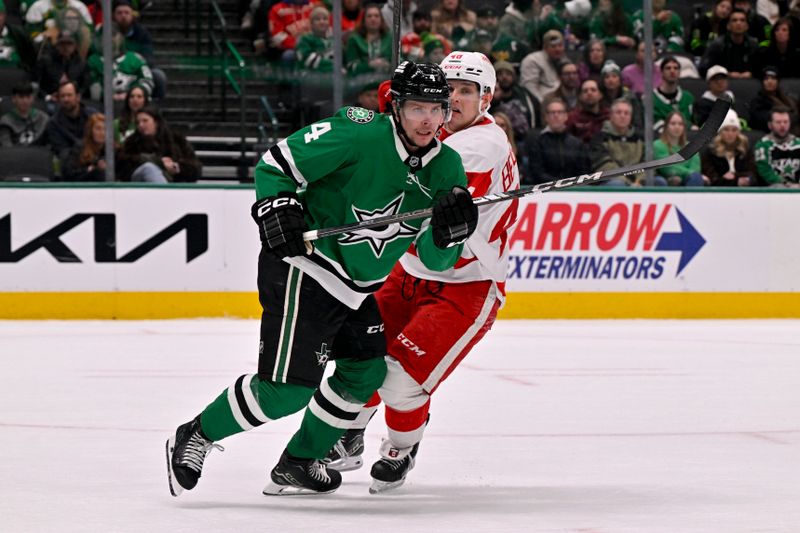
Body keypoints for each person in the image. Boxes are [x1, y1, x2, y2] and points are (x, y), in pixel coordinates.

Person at [165, 61, 479, 497]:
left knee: (364, 373)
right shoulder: (358, 133)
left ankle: (298, 462)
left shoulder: (447, 168)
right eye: (417, 109)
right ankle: (197, 433)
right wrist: (277, 206)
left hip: (355, 290)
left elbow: (434, 259)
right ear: (396, 107)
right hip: (305, 269)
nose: (428, 120)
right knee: (286, 392)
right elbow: (276, 164)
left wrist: (449, 235)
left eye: (436, 109)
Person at [323, 52, 519, 494]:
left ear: (486, 98)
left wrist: (392, 123)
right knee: (362, 358)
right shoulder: (444, 131)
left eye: (466, 90)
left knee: (401, 382)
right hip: (408, 272)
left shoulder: (480, 146)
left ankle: (401, 447)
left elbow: (409, 183)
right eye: (448, 89)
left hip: (465, 284)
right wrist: (396, 115)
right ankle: (350, 433)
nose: (454, 98)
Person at [116, 105, 200, 183]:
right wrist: (158, 162)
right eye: (138, 122)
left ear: (156, 122)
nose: (140, 125)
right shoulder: (132, 142)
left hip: (171, 181)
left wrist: (176, 167)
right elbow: (122, 168)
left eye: (145, 121)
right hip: (138, 183)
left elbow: (195, 168)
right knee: (149, 168)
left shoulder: (176, 139)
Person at [591, 98, 658, 185]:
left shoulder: (640, 138)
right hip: (611, 181)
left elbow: (648, 162)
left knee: (659, 181)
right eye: (618, 112)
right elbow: (604, 165)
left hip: (638, 181)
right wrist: (628, 182)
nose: (623, 116)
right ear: (611, 115)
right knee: (617, 183)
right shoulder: (600, 138)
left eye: (626, 113)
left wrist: (639, 181)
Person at [526, 96, 589, 185]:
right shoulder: (537, 142)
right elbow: (537, 172)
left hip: (574, 189)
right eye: (552, 112)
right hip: (546, 189)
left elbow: (583, 172)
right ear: (546, 117)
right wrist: (559, 184)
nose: (556, 115)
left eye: (560, 112)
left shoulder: (577, 144)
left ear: (566, 116)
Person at [46, 79, 97, 163]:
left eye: (69, 95)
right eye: (62, 96)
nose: (66, 99)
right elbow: (62, 152)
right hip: (72, 163)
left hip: (96, 159)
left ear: (78, 97)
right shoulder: (53, 123)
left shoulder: (93, 116)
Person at [701, 109, 756, 186]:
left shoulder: (745, 150)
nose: (730, 134)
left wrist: (735, 177)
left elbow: (752, 173)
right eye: (726, 130)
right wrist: (735, 181)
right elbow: (712, 179)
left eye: (734, 130)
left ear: (738, 132)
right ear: (720, 132)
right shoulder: (711, 152)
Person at [699, 8, 759, 79]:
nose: (738, 23)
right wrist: (726, 73)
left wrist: (752, 74)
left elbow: (761, 67)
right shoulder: (718, 45)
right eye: (734, 20)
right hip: (723, 81)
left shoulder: (753, 44)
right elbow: (703, 68)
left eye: (742, 20)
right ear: (728, 26)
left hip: (749, 82)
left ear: (747, 26)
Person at [653, 111, 707, 186]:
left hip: (688, 180)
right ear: (666, 126)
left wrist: (690, 174)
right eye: (673, 123)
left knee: (696, 177)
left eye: (680, 124)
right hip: (665, 179)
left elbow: (696, 168)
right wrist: (688, 172)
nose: (677, 127)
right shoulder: (657, 145)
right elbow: (667, 167)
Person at [754, 107, 800, 186]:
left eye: (785, 122)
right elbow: (765, 171)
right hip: (773, 189)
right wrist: (786, 184)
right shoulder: (763, 145)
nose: (782, 125)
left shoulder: (798, 144)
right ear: (770, 125)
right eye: (778, 122)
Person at [61, 113, 112, 181]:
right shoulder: (80, 147)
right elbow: (68, 173)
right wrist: (90, 169)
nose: (102, 133)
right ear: (90, 131)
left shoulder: (113, 149)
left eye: (105, 129)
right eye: (98, 129)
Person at [748, 66, 799, 133]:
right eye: (766, 79)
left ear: (777, 81)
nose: (770, 81)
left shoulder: (788, 98)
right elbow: (763, 120)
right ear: (762, 82)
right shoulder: (758, 101)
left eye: (773, 78)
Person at [345, 3, 392, 75]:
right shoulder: (354, 39)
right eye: (369, 16)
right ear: (364, 20)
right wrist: (370, 65)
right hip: (361, 81)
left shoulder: (390, 38)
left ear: (381, 20)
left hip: (387, 80)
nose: (373, 19)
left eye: (376, 16)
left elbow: (400, 62)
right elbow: (351, 68)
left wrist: (387, 65)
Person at [519, 29, 565, 101]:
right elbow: (530, 89)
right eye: (553, 46)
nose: (557, 49)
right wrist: (545, 104)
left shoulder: (564, 61)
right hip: (543, 103)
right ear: (545, 47)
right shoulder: (532, 60)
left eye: (560, 45)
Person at [653, 56, 695, 133]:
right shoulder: (651, 98)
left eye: (676, 68)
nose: (672, 71)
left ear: (679, 73)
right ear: (661, 72)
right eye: (668, 68)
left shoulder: (688, 98)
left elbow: (694, 122)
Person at [0, 81, 48, 147]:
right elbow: (6, 147)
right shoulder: (5, 121)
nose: (25, 101)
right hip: (15, 152)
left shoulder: (43, 118)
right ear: (13, 99)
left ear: (33, 99)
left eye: (28, 97)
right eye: (21, 97)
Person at [567, 78, 608, 144]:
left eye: (593, 90)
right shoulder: (572, 118)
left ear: (600, 95)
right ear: (580, 96)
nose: (589, 93)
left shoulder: (609, 116)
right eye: (585, 91)